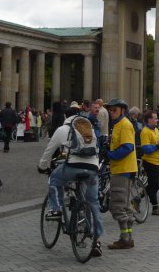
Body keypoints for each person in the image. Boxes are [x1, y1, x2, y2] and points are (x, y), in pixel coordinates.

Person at [38, 110, 104, 257]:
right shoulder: (89, 128)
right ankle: (96, 239)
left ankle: (55, 209)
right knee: (92, 202)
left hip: (73, 167)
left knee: (55, 179)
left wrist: (42, 166)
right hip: (92, 168)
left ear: (65, 117)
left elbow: (49, 151)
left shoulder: (63, 129)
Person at [105, 98, 137, 250]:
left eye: (114, 110)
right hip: (124, 169)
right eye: (110, 110)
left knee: (117, 205)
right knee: (125, 205)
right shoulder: (119, 124)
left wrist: (110, 155)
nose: (111, 112)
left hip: (122, 169)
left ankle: (125, 239)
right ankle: (128, 237)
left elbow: (128, 147)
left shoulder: (124, 125)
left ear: (122, 111)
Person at [140, 110, 159, 216]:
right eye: (155, 118)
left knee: (154, 186)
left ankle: (138, 197)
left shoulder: (156, 129)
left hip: (158, 161)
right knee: (154, 186)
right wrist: (157, 146)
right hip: (150, 162)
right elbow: (146, 149)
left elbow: (158, 143)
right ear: (149, 120)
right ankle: (155, 207)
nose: (157, 120)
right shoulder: (145, 131)